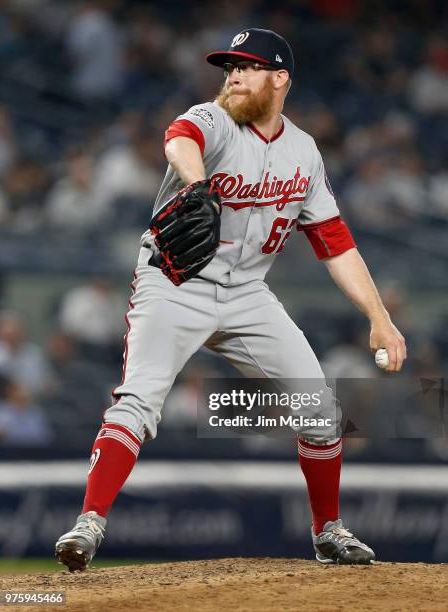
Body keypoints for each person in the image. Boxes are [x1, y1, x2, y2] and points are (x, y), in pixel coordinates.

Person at [55, 28, 406, 571]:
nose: (234, 76)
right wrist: (197, 186)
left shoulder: (303, 152)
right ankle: (89, 523)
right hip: (175, 282)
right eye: (229, 67)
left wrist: (379, 319)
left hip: (246, 293)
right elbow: (179, 138)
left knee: (320, 409)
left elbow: (335, 242)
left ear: (280, 78)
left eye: (248, 66)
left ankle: (328, 531)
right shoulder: (215, 120)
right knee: (139, 401)